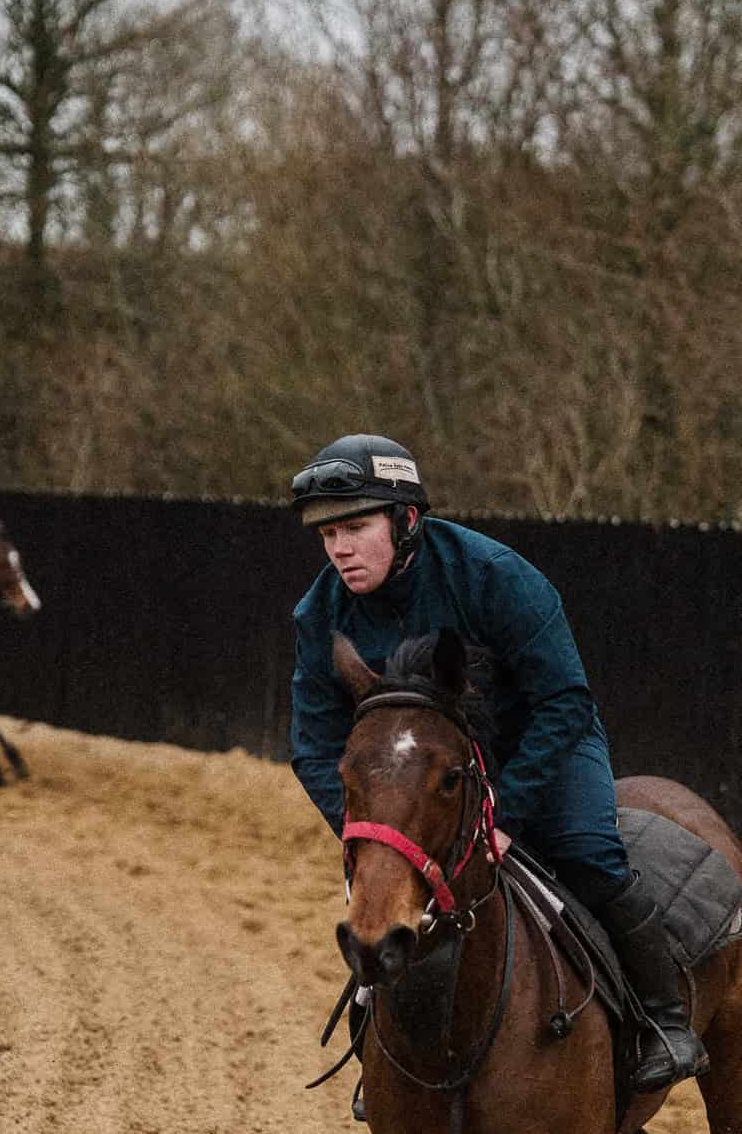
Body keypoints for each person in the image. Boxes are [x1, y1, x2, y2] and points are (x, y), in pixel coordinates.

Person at [290, 433, 708, 1093]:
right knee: (377, 904)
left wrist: (503, 809)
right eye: (327, 535)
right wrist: (373, 829)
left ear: (406, 523)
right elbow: (312, 747)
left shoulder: (493, 576)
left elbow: (564, 701)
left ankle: (663, 1020)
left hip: (540, 744)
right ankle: (381, 1067)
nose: (339, 549)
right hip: (417, 781)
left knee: (585, 849)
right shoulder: (320, 615)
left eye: (354, 527)